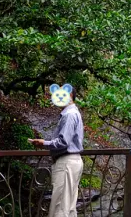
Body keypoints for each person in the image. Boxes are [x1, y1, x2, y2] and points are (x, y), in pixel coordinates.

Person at [29, 86, 84, 217]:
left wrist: (44, 143)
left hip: (67, 163)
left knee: (60, 206)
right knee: (69, 207)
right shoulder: (73, 113)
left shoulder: (69, 115)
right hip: (72, 161)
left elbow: (63, 142)